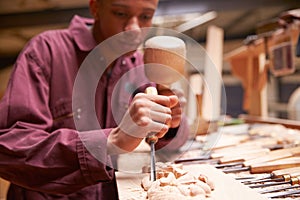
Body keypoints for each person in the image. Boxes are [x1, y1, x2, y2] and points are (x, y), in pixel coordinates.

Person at [0, 0, 189, 199]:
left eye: (145, 17)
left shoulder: (139, 67)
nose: (133, 29)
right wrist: (111, 141)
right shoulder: (47, 51)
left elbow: (173, 145)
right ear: (95, 8)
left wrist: (171, 123)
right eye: (120, 13)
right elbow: (10, 148)